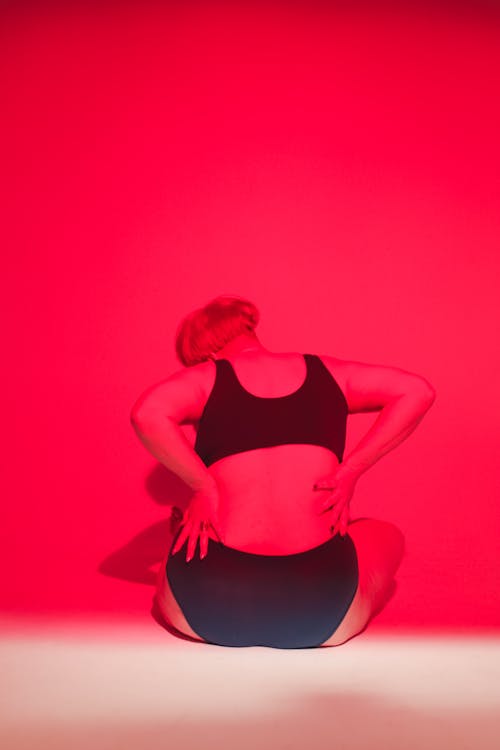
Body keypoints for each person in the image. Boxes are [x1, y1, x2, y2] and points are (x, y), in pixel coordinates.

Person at [130, 295, 436, 648]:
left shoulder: (205, 379)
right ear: (248, 329)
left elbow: (146, 414)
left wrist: (203, 486)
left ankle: (180, 542)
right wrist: (352, 469)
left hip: (201, 610)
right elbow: (418, 390)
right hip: (323, 613)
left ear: (205, 357)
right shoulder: (330, 373)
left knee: (187, 540)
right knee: (383, 533)